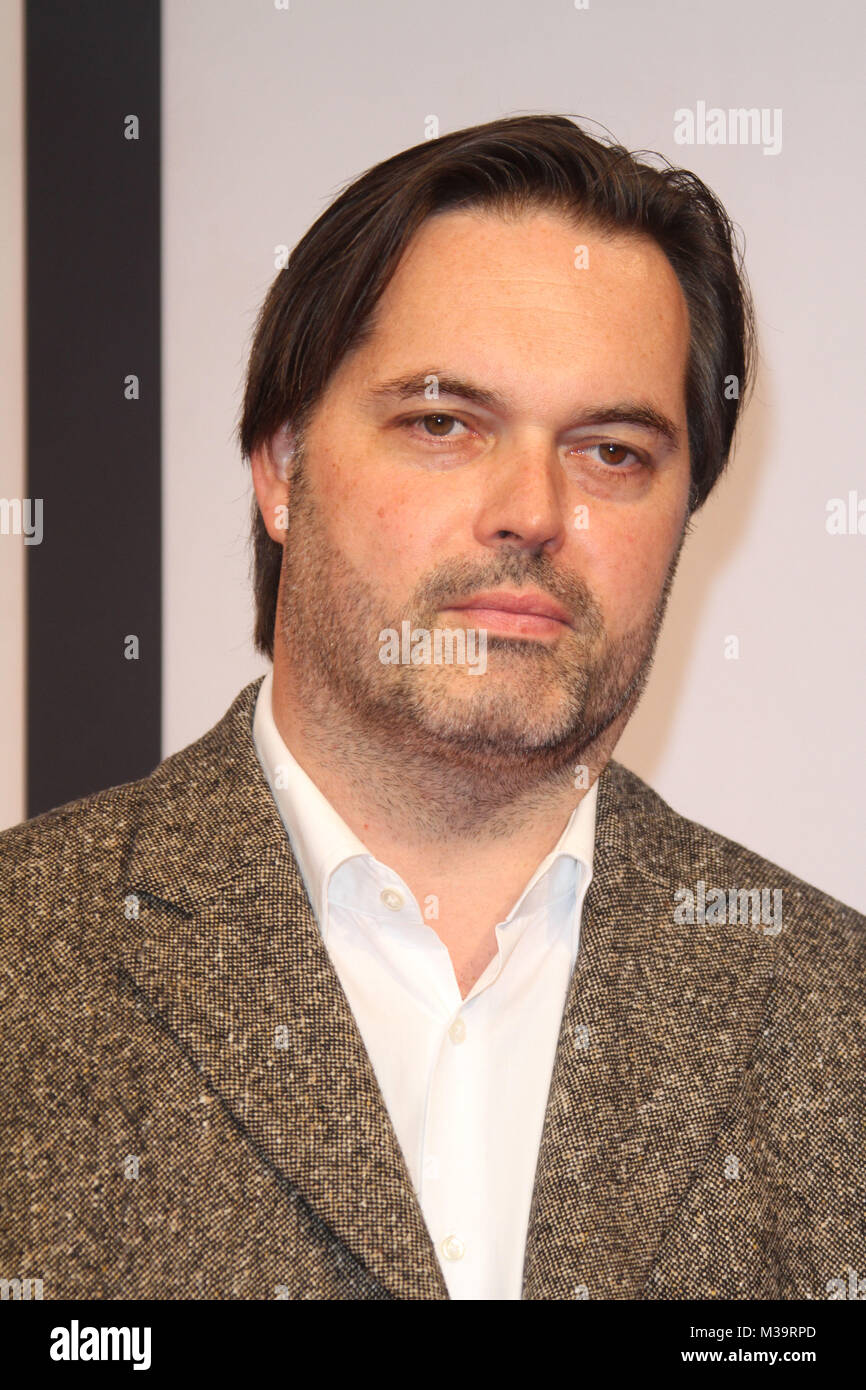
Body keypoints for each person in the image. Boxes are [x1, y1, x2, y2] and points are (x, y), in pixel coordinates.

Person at [1, 115, 863, 1302]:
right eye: (443, 424)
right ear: (279, 467)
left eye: (610, 450)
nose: (529, 510)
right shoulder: (25, 959)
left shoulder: (834, 1023)